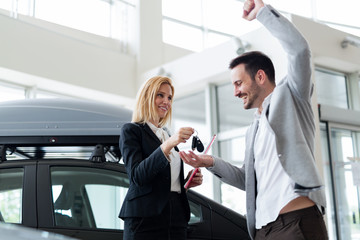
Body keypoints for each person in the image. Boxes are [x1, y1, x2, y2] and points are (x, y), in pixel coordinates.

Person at [179, 0, 328, 239]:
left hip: (296, 223)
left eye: (238, 83)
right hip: (262, 230)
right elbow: (246, 179)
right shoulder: (254, 128)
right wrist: (208, 161)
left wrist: (262, 12)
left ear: (260, 76)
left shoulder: (291, 95)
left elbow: (300, 50)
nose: (235, 92)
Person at [119, 76, 203, 240]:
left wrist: (185, 184)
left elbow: (163, 181)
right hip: (145, 220)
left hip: (176, 216)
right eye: (160, 95)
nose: (166, 101)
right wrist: (169, 144)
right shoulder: (132, 130)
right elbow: (137, 176)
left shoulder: (166, 134)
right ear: (147, 97)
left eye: (169, 97)